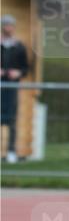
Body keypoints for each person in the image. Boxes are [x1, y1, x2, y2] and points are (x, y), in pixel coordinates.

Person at [1, 14, 29, 163]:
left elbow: (25, 68)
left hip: (12, 88)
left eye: (10, 25)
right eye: (6, 25)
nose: (8, 27)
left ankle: (11, 151)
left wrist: (17, 72)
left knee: (11, 120)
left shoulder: (19, 46)